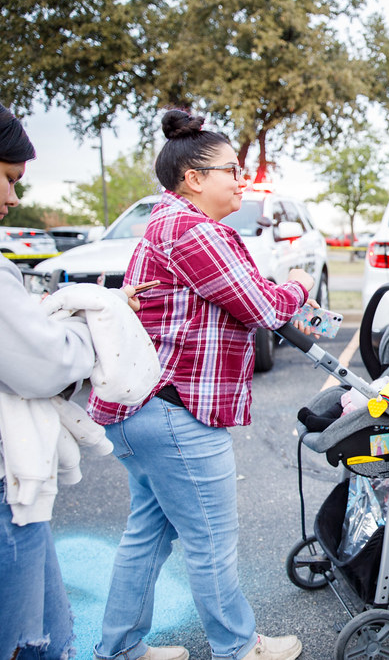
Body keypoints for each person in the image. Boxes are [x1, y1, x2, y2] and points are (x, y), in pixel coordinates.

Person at [88, 110, 315, 660]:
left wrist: (278, 298)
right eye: (231, 170)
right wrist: (299, 287)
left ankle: (120, 649)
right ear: (194, 178)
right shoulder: (194, 231)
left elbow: (230, 298)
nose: (242, 180)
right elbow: (261, 304)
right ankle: (239, 648)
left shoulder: (166, 224)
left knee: (148, 536)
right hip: (175, 412)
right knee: (211, 541)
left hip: (141, 411)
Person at [0, 105, 153, 660]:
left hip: (16, 488)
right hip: (8, 487)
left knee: (47, 630)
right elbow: (40, 363)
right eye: (10, 179)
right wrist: (96, 329)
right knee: (27, 639)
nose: (14, 199)